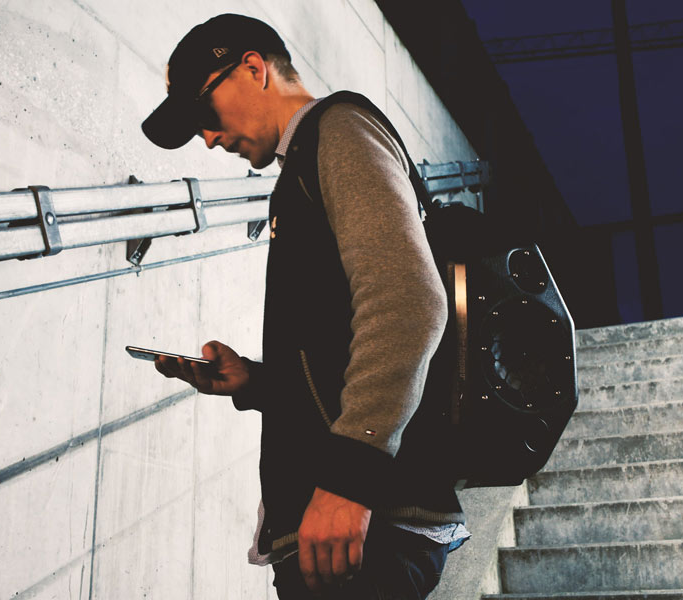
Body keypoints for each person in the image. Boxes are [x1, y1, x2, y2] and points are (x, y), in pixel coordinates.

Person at [141, 14, 468, 599]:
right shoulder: (305, 163)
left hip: (366, 525)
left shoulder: (337, 131)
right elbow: (340, 350)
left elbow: (410, 301)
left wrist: (351, 477)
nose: (207, 138)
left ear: (253, 68)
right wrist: (258, 382)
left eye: (203, 112)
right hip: (345, 526)